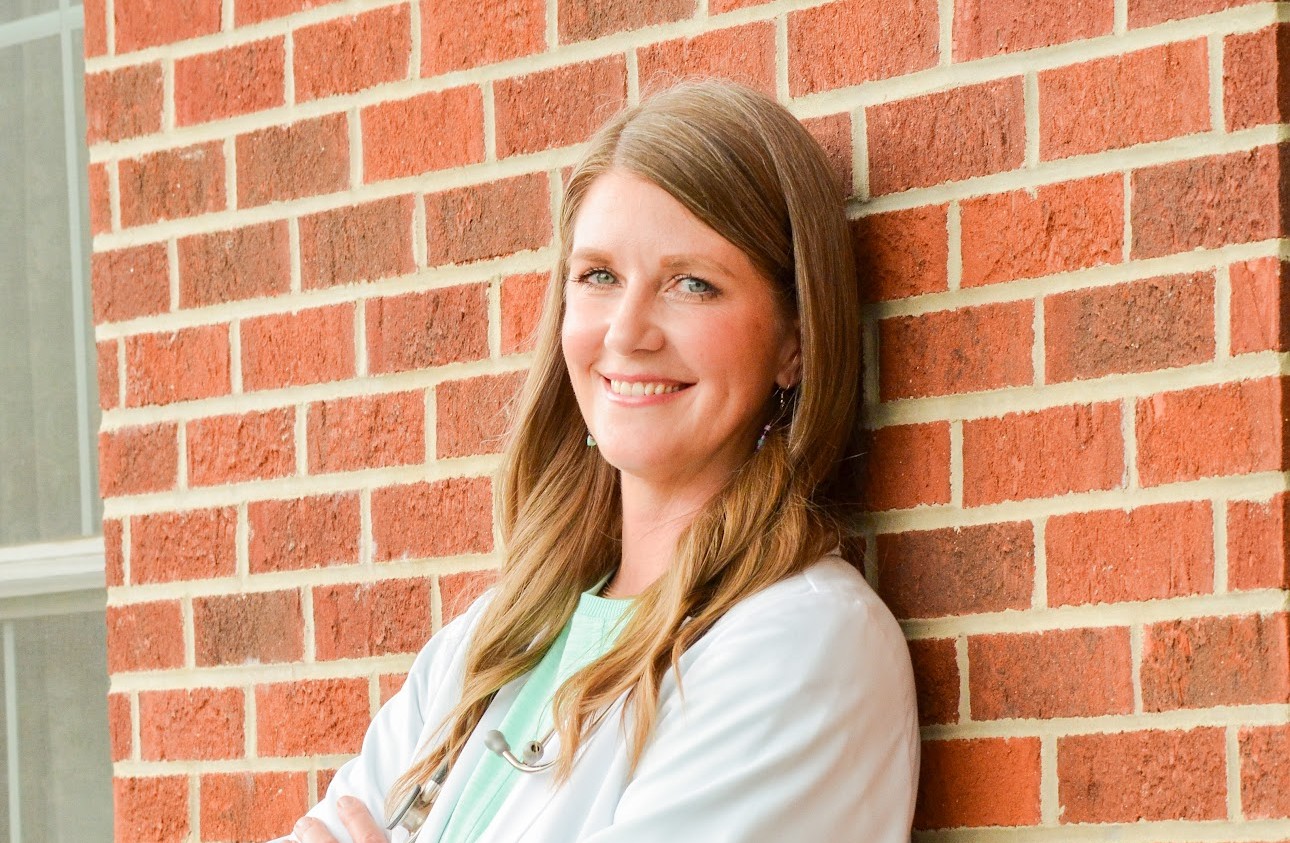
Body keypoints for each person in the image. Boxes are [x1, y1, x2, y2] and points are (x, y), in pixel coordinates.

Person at [281, 80, 918, 843]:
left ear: (795, 343)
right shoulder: (485, 643)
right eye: (599, 276)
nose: (627, 331)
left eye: (693, 284)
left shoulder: (807, 648)